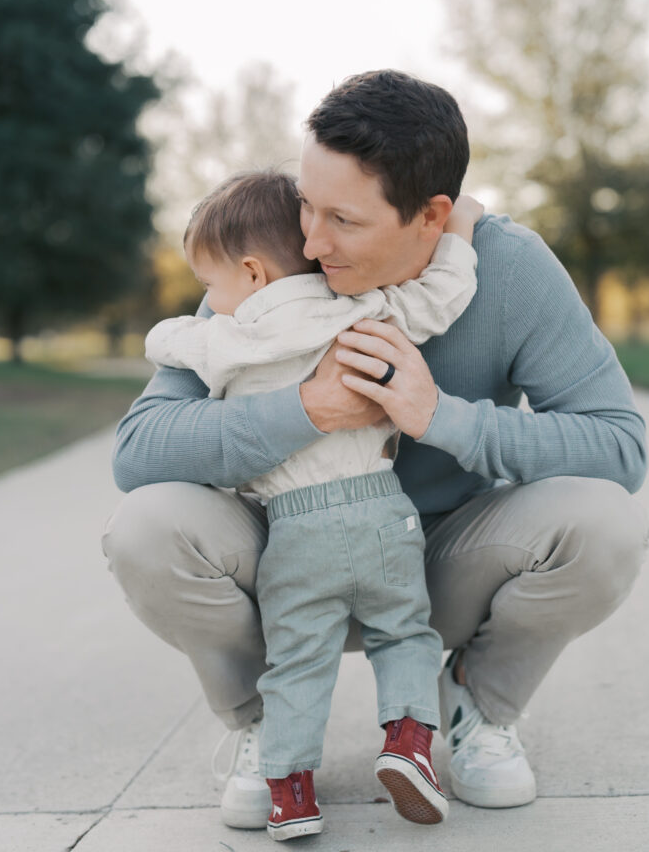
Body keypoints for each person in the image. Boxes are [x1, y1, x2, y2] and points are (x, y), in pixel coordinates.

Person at [104, 69, 649, 830]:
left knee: (604, 520)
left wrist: (439, 417)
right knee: (147, 525)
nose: (311, 239)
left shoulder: (511, 270)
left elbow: (618, 448)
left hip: (433, 568)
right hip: (285, 552)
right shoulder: (268, 264)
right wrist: (306, 407)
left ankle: (479, 706)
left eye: (343, 220)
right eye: (305, 203)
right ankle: (264, 723)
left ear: (431, 217)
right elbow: (139, 450)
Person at [143, 169, 481, 839]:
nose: (209, 301)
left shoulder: (230, 337)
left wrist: (180, 329)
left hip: (297, 530)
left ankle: (289, 788)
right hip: (385, 512)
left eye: (210, 286)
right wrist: (462, 230)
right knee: (405, 632)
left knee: (297, 657)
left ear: (251, 274)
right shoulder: (367, 309)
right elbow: (445, 293)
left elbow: (166, 341)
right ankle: (409, 742)